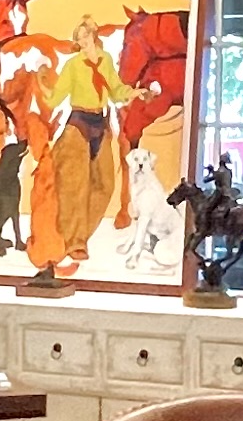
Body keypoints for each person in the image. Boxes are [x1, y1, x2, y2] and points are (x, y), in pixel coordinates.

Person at [39, 17, 158, 272]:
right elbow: (56, 96)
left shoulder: (105, 60)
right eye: (78, 38)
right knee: (75, 187)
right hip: (77, 125)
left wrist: (135, 93)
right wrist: (42, 86)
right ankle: (74, 242)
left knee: (105, 185)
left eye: (85, 36)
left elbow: (116, 91)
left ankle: (79, 235)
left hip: (100, 124)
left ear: (93, 35)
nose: (82, 41)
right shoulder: (73, 65)